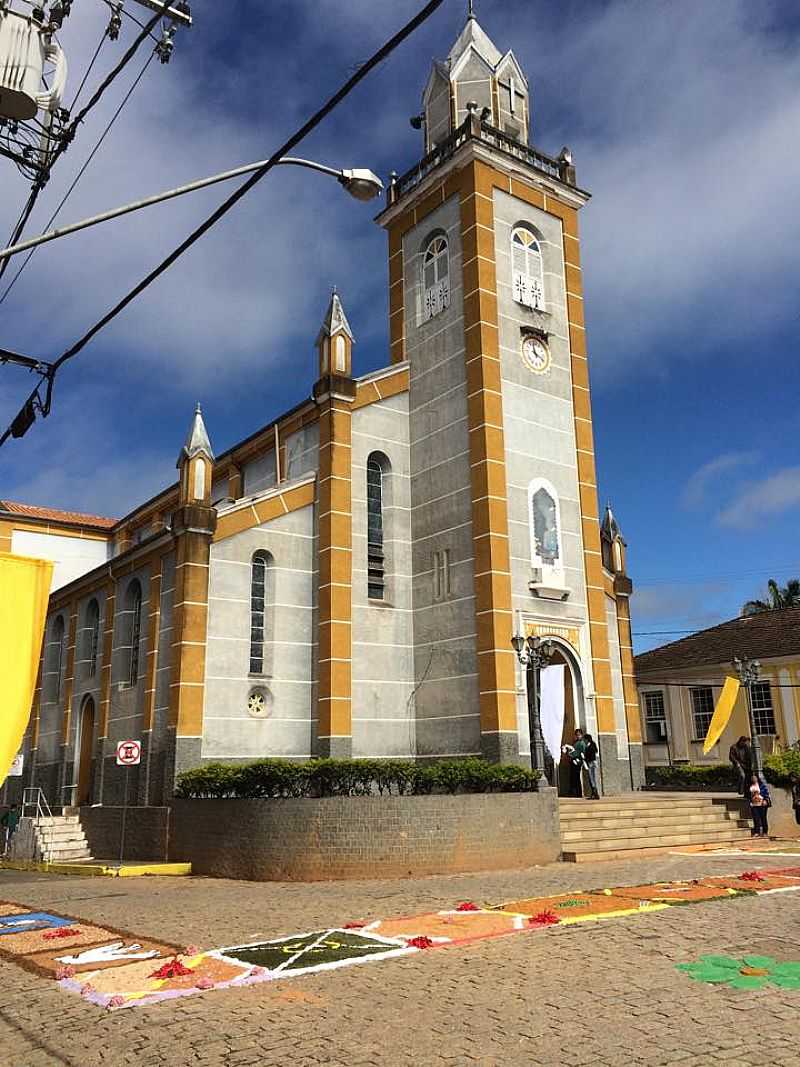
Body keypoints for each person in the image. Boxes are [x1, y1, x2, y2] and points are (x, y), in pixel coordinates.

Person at [749, 774, 768, 839]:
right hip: (754, 804)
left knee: (763, 818)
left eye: (755, 778)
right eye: (752, 778)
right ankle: (757, 832)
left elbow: (766, 793)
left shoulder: (762, 786)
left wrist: (765, 800)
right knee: (756, 818)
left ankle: (765, 832)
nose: (753, 779)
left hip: (762, 803)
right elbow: (749, 795)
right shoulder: (750, 786)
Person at [569, 728, 586, 798]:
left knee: (577, 777)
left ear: (581, 735)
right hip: (573, 761)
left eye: (579, 735)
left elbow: (582, 753)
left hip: (578, 761)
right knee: (573, 777)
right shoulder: (575, 743)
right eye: (576, 735)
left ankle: (579, 793)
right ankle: (574, 792)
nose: (578, 736)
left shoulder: (582, 743)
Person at [583, 732, 600, 799]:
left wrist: (585, 757)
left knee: (592, 778)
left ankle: (595, 793)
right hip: (591, 762)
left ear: (587, 739)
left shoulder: (591, 745)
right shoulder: (590, 745)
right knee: (591, 778)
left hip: (591, 763)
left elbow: (592, 753)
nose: (584, 741)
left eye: (585, 739)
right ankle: (594, 793)